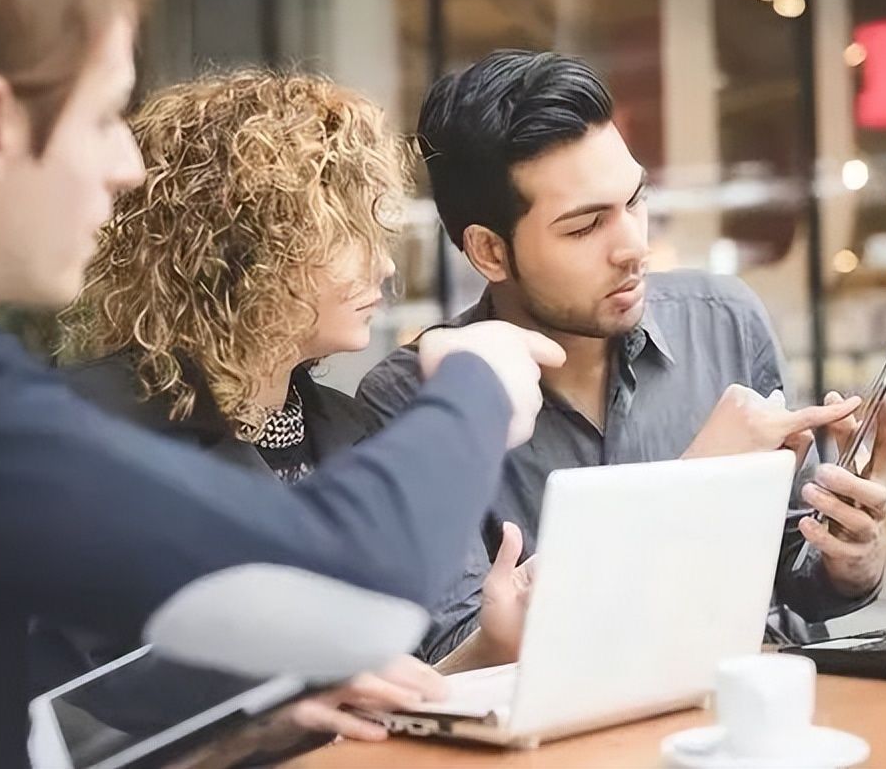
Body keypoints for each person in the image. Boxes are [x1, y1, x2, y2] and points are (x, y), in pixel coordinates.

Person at [0, 0, 561, 768]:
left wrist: (252, 727)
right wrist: (477, 385)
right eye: (101, 116)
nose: (127, 166)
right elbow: (349, 592)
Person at [36, 70, 523, 751]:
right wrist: (255, 727)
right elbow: (77, 720)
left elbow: (368, 700)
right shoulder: (94, 429)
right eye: (349, 231)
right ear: (248, 246)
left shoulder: (346, 424)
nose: (384, 267)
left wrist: (490, 644)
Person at [359, 50, 886, 663]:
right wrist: (690, 483)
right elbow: (459, 656)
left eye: (635, 201)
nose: (634, 247)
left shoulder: (722, 320)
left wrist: (851, 562)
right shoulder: (412, 399)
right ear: (489, 252)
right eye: (586, 227)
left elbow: (791, 577)